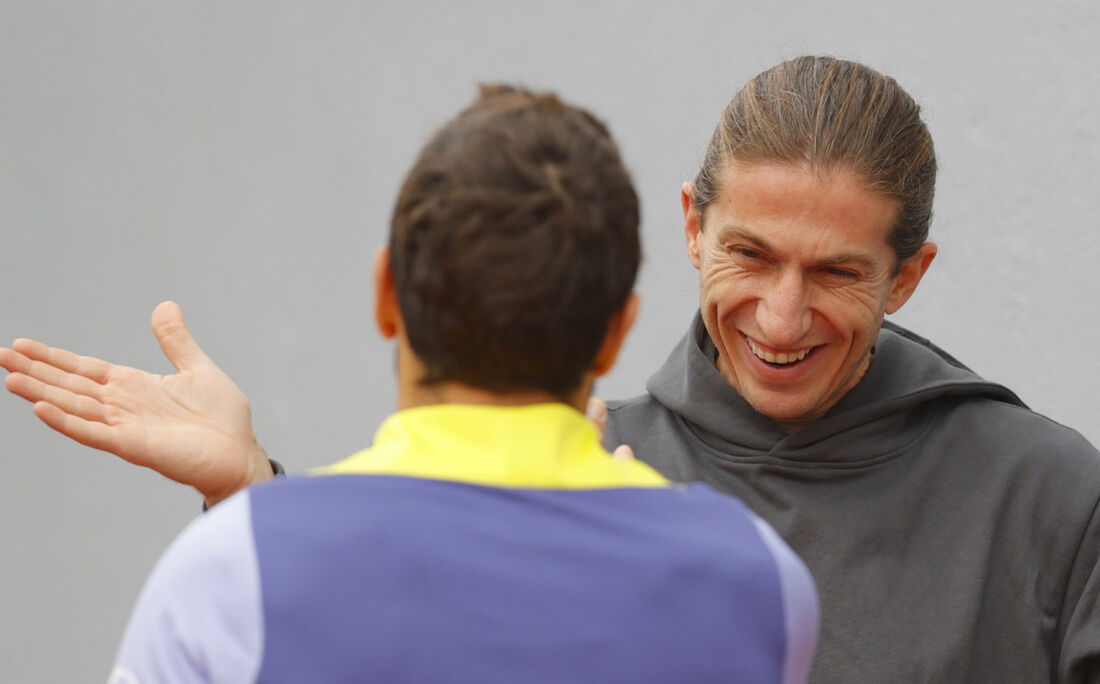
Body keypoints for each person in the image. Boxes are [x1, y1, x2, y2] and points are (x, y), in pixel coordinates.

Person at [3, 56, 1098, 682]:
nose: (779, 315)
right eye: (749, 256)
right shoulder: (633, 489)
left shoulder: (1047, 499)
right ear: (687, 228)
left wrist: (262, 532)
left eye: (835, 273)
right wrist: (262, 498)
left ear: (906, 275)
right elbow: (419, 603)